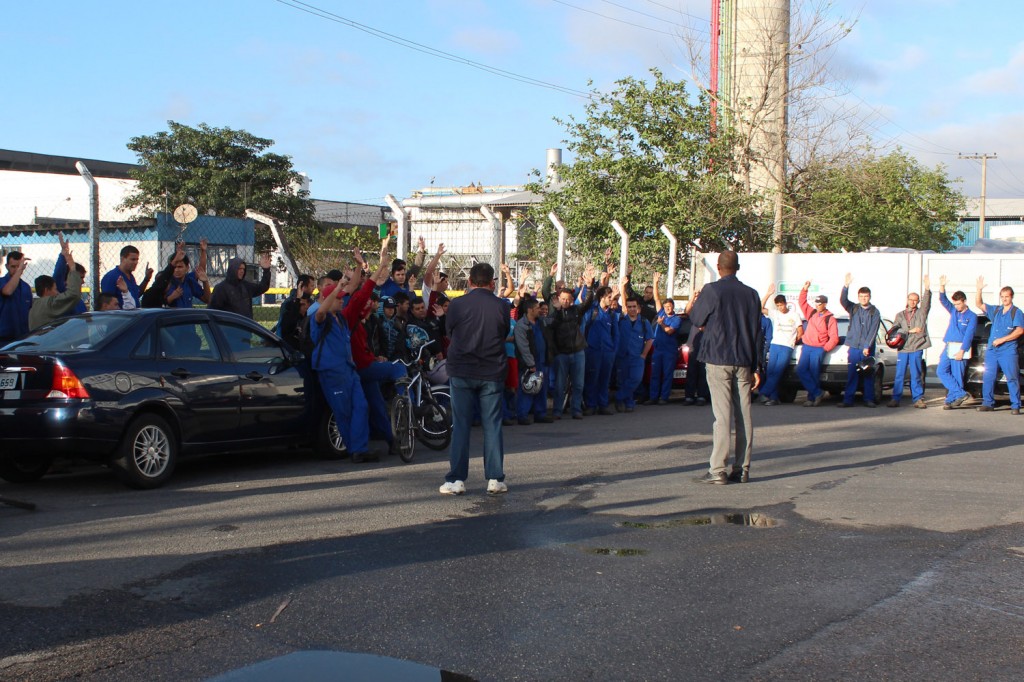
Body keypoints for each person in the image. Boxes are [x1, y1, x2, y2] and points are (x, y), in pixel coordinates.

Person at [687, 251, 763, 485]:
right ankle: (742, 469)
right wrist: (757, 366)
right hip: (743, 360)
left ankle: (718, 470)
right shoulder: (752, 294)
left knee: (722, 417)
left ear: (719, 267)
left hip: (718, 357)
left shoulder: (712, 290)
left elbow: (696, 318)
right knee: (744, 416)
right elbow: (757, 332)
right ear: (737, 267)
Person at [440, 262, 511, 496]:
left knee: (461, 425)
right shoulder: (501, 306)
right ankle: (494, 478)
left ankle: (457, 479)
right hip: (491, 370)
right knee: (492, 426)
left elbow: (449, 332)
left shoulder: (458, 304)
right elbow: (502, 333)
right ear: (492, 282)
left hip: (461, 369)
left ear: (469, 282)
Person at [549, 264, 596, 420]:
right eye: (563, 299)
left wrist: (589, 287)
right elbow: (552, 326)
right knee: (560, 384)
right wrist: (557, 310)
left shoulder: (576, 310)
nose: (566, 302)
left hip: (578, 352)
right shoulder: (555, 312)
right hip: (562, 354)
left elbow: (588, 302)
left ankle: (576, 409)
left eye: (568, 299)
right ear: (559, 299)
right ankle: (557, 410)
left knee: (578, 384)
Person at [975, 276, 1023, 414]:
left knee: (1012, 377)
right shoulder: (996, 311)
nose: (1004, 299)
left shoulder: (1016, 312)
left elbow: (1020, 330)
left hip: (1008, 351)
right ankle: (988, 403)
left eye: (1007, 297)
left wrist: (1003, 340)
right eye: (1002, 297)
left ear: (1012, 297)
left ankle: (1015, 405)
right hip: (992, 350)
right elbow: (979, 304)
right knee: (988, 376)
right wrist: (978, 290)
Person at [838, 273, 881, 408]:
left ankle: (869, 399)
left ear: (870, 297)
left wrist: (867, 346)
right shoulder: (854, 308)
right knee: (852, 373)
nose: (864, 298)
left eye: (866, 296)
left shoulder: (875, 312)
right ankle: (848, 400)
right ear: (858, 297)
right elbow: (843, 301)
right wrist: (846, 286)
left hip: (867, 348)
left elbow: (873, 330)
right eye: (861, 296)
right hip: (854, 347)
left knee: (868, 373)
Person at [888, 276, 932, 408]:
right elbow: (894, 330)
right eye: (911, 299)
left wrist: (927, 289)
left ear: (918, 301)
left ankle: (918, 399)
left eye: (915, 300)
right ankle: (895, 398)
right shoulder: (900, 315)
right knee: (899, 375)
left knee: (916, 374)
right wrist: (909, 331)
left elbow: (926, 303)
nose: (913, 302)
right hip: (903, 348)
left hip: (917, 347)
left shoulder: (921, 313)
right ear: (907, 300)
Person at [937, 276, 978, 409]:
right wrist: (942, 287)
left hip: (960, 348)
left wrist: (962, 350)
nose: (956, 306)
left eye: (959, 304)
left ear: (964, 301)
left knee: (957, 375)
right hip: (949, 345)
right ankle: (960, 393)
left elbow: (969, 334)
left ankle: (951, 400)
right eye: (955, 304)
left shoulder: (971, 316)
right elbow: (943, 300)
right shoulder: (954, 311)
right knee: (941, 370)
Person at [759, 284, 803, 406]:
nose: (780, 308)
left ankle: (764, 393)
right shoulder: (775, 313)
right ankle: (773, 398)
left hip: (787, 346)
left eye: (781, 305)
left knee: (778, 371)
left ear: (785, 303)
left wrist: (794, 340)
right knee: (771, 372)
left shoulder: (794, 315)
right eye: (777, 306)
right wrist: (768, 294)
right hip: (775, 345)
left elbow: (800, 331)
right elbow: (760, 308)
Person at [28, 234, 83, 330]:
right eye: (55, 289)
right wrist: (72, 267)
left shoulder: (36, 307)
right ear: (46, 290)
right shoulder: (49, 304)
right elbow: (73, 294)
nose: (58, 292)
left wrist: (63, 254)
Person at [797, 283, 839, 406]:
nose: (817, 305)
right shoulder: (811, 313)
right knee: (801, 370)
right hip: (807, 346)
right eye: (816, 303)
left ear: (825, 304)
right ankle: (817, 392)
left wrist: (824, 348)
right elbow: (802, 302)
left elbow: (834, 338)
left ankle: (812, 399)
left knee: (814, 373)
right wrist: (804, 289)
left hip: (818, 348)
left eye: (820, 303)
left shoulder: (830, 318)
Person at [513, 297, 553, 425]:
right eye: (537, 308)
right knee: (527, 387)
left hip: (542, 360)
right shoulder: (521, 325)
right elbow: (523, 347)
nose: (539, 310)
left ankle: (540, 413)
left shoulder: (541, 322)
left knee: (541, 387)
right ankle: (522, 415)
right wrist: (531, 364)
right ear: (530, 310)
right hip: (529, 363)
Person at [582, 285, 618, 416]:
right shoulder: (593, 311)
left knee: (605, 379)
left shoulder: (612, 314)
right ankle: (590, 405)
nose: (611, 299)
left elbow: (616, 335)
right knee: (592, 378)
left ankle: (603, 404)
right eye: (609, 297)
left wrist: (613, 351)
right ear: (602, 297)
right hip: (593, 351)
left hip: (607, 352)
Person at [615, 294, 653, 413]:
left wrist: (644, 355)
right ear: (626, 308)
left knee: (636, 379)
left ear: (638, 308)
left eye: (634, 306)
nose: (632, 309)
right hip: (622, 356)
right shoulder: (620, 320)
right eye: (629, 306)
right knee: (623, 380)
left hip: (637, 357)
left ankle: (619, 397)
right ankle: (628, 403)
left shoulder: (643, 321)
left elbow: (650, 339)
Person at [649, 272, 681, 405]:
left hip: (669, 351)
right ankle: (653, 397)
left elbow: (669, 331)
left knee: (667, 375)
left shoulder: (676, 319)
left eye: (669, 307)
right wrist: (656, 282)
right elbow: (656, 299)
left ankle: (664, 397)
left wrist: (661, 323)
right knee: (655, 374)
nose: (667, 309)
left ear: (673, 307)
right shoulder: (661, 313)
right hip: (658, 350)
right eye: (666, 306)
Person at [208, 253, 272, 318]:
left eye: (243, 269)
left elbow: (263, 287)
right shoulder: (221, 289)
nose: (242, 271)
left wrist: (266, 270)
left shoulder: (245, 286)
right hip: (228, 326)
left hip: (245, 325)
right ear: (232, 269)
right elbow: (212, 311)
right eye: (239, 269)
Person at [0, 251, 34, 344]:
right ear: (7, 266)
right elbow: (7, 291)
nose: (16, 270)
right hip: (3, 338)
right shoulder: (1, 282)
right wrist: (19, 271)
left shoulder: (26, 287)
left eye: (18, 267)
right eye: (13, 267)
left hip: (22, 337)